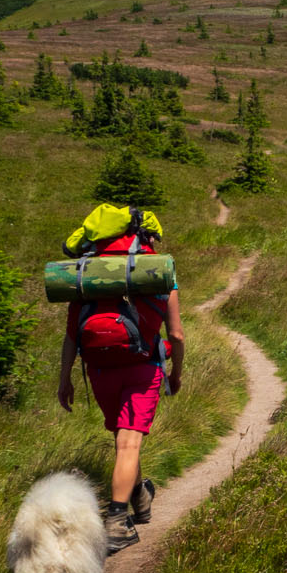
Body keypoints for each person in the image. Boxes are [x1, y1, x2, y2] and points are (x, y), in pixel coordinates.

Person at [56, 207, 185, 553]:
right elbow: (176, 333)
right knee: (129, 444)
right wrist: (177, 372)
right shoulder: (157, 272)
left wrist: (64, 378)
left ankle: (140, 496)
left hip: (99, 369)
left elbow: (72, 334)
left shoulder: (89, 273)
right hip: (143, 368)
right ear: (148, 237)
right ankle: (116, 521)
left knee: (123, 439)